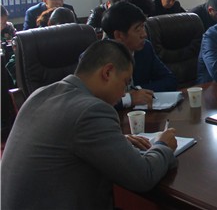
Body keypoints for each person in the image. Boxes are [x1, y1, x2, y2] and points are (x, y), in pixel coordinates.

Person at [0, 40, 177, 209]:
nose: (124, 93)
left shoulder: (40, 94)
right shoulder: (92, 110)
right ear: (107, 72)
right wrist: (162, 144)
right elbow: (143, 176)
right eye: (125, 82)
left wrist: (115, 140)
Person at [102, 2, 178, 108]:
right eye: (138, 29)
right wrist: (129, 98)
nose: (144, 34)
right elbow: (94, 101)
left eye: (143, 27)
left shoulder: (145, 48)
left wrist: (138, 91)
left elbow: (170, 80)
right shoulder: (97, 58)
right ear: (119, 35)